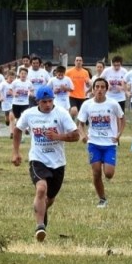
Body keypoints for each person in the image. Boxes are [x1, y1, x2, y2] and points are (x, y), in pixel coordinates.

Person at [11, 85, 79, 242]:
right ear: (37, 102)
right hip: (38, 159)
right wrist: (16, 152)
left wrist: (58, 136)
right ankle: (40, 226)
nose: (48, 105)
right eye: (44, 102)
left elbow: (76, 136)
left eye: (50, 101)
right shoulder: (29, 114)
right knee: (41, 189)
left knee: (49, 199)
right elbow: (17, 129)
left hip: (58, 162)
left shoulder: (61, 113)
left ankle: (40, 210)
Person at [77, 78, 126, 208]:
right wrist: (82, 135)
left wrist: (119, 134)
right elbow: (80, 124)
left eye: (102, 87)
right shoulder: (87, 105)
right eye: (97, 87)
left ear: (106, 89)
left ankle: (107, 163)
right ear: (93, 89)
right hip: (93, 143)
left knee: (109, 174)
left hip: (109, 143)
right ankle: (102, 199)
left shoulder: (113, 104)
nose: (99, 89)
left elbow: (122, 118)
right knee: (96, 172)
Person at [9, 67, 34, 138]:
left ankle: (25, 129)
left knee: (24, 116)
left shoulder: (29, 83)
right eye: (22, 73)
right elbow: (10, 90)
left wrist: (30, 93)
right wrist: (14, 94)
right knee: (16, 118)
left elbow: (32, 90)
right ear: (19, 74)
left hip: (25, 103)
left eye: (25, 74)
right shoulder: (15, 82)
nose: (23, 75)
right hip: (16, 103)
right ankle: (15, 131)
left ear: (27, 75)